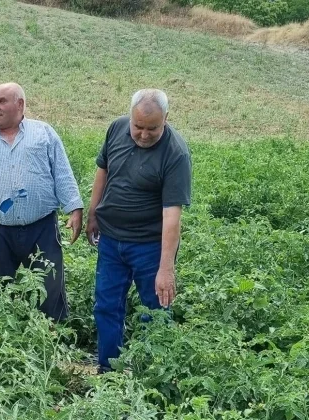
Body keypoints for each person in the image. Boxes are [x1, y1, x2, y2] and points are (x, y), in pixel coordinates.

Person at [85, 89, 192, 373]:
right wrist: (93, 213)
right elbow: (103, 170)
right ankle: (109, 372)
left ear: (166, 119)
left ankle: (150, 376)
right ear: (130, 117)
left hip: (149, 245)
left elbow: (172, 215)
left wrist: (166, 268)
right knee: (106, 306)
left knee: (155, 312)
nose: (144, 135)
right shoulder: (116, 128)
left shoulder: (176, 153)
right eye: (138, 127)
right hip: (111, 240)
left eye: (152, 128)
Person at [0, 82, 84, 321]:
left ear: (20, 104)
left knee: (49, 285)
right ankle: (1, 336)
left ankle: (51, 337)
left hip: (42, 228)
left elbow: (62, 173)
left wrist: (74, 208)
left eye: (1, 101)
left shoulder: (44, 133)